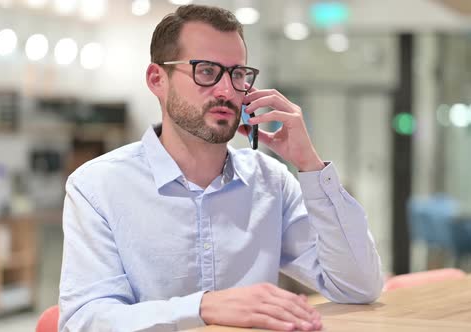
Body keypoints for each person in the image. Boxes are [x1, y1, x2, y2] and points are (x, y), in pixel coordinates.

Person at [59, 4, 383, 332]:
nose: (227, 91)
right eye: (206, 71)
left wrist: (309, 165)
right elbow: (85, 320)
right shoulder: (97, 186)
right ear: (158, 79)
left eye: (238, 74)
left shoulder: (271, 182)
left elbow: (359, 287)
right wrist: (204, 307)